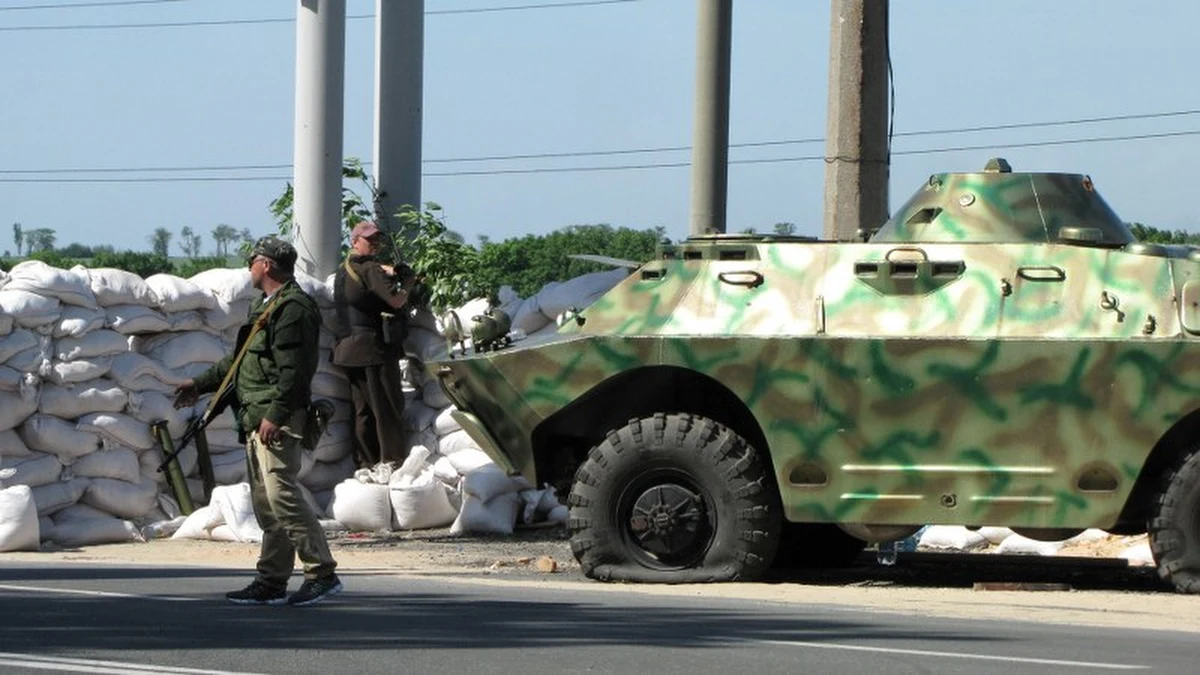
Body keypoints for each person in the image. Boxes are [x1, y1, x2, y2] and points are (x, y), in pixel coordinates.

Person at [174, 236, 341, 607]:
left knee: (282, 494)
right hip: (256, 417)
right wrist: (198, 385)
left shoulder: (293, 308)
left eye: (252, 261)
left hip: (275, 419)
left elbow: (295, 371)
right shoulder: (266, 305)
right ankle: (271, 580)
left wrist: (276, 415)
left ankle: (322, 572)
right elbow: (238, 363)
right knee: (267, 503)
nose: (248, 267)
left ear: (265, 265)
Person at [331, 220, 412, 467]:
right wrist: (408, 282)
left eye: (378, 240)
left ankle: (366, 464)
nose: (375, 245)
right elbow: (397, 301)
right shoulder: (370, 269)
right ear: (354, 241)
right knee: (386, 408)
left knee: (363, 411)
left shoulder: (343, 271)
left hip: (348, 350)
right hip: (372, 350)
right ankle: (392, 462)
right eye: (370, 240)